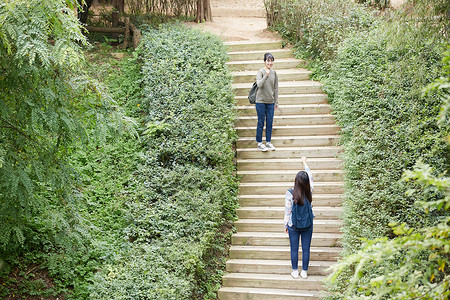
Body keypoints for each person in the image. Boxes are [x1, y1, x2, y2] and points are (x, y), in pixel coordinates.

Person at [284, 156, 314, 279]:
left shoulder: (290, 193)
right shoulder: (310, 190)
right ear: (307, 182)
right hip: (308, 224)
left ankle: (295, 271)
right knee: (306, 248)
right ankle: (305, 271)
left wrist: (286, 225)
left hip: (293, 224)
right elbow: (310, 175)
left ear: (296, 181)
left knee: (294, 249)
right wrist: (305, 163)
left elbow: (288, 211)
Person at [255, 53, 279, 151]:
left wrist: (276, 102)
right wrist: (266, 75)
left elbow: (276, 89)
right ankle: (260, 143)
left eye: (271, 61)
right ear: (264, 61)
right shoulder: (260, 72)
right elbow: (259, 84)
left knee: (269, 122)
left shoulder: (275, 73)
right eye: (268, 60)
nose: (270, 63)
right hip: (260, 101)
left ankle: (268, 142)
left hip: (270, 102)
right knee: (261, 122)